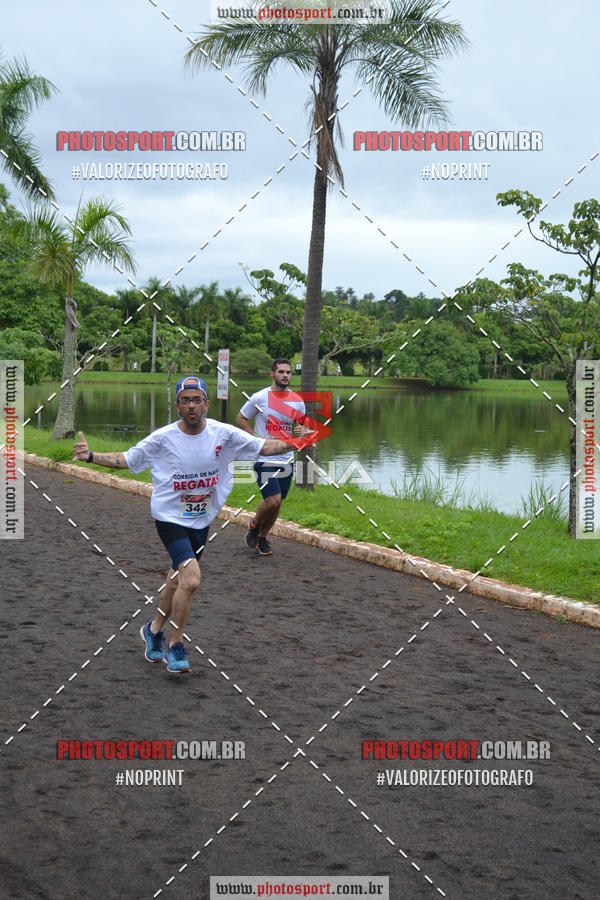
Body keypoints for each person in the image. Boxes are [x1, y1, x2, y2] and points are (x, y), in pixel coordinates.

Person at [72, 375, 291, 675]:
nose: (191, 405)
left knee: (176, 581)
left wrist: (299, 440)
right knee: (191, 579)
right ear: (177, 406)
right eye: (185, 400)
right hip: (169, 518)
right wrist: (91, 456)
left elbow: (264, 447)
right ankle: (175, 645)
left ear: (206, 404)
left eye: (196, 400)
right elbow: (127, 459)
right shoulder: (163, 438)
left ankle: (153, 630)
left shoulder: (223, 433)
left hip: (201, 520)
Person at [236, 358, 310, 557]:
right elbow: (241, 418)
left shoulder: (297, 401)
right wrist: (254, 438)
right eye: (281, 372)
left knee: (278, 503)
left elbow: (302, 426)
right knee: (272, 500)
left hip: (287, 458)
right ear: (272, 374)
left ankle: (262, 538)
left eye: (288, 372)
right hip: (264, 457)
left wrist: (302, 430)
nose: (285, 375)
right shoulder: (260, 398)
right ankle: (254, 524)